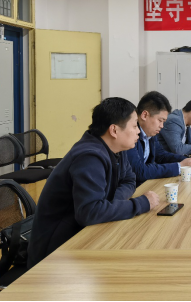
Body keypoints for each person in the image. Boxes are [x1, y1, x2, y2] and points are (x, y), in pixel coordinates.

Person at [28, 98, 160, 269]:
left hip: (83, 234)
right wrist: (142, 203)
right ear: (114, 130)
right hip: (55, 252)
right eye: (135, 126)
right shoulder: (89, 157)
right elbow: (90, 212)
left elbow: (129, 180)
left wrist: (112, 203)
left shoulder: (117, 149)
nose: (138, 132)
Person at [127, 91, 191, 186]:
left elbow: (161, 156)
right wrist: (179, 166)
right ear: (144, 115)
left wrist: (188, 160)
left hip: (146, 184)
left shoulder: (150, 133)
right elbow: (139, 171)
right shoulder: (130, 135)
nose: (162, 126)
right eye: (160, 120)